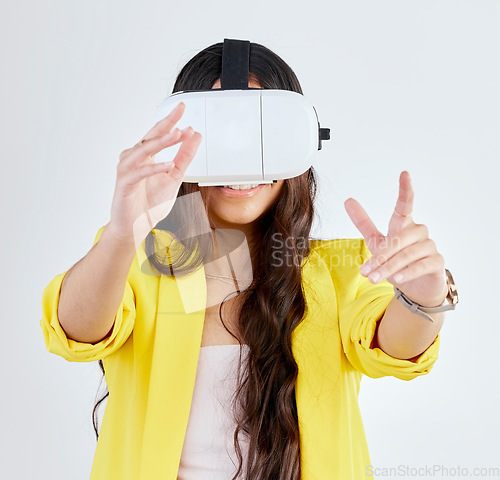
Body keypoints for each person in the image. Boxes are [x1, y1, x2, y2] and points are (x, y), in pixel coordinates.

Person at [40, 41, 455, 480]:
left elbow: (394, 348)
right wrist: (123, 233)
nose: (240, 161)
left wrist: (425, 297)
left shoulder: (338, 273)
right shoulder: (138, 263)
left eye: (260, 135)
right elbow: (76, 331)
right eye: (218, 136)